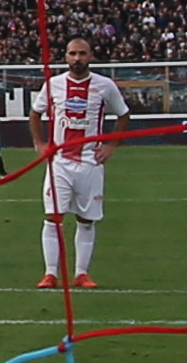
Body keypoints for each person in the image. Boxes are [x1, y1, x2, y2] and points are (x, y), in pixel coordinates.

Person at [30, 35, 130, 290]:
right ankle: (50, 274)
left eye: (82, 53)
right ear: (65, 56)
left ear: (91, 56)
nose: (77, 58)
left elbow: (123, 114)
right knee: (53, 216)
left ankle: (81, 274)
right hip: (60, 161)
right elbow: (35, 112)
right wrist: (39, 144)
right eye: (73, 53)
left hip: (90, 162)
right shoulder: (53, 85)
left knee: (86, 219)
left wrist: (111, 145)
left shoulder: (104, 85)